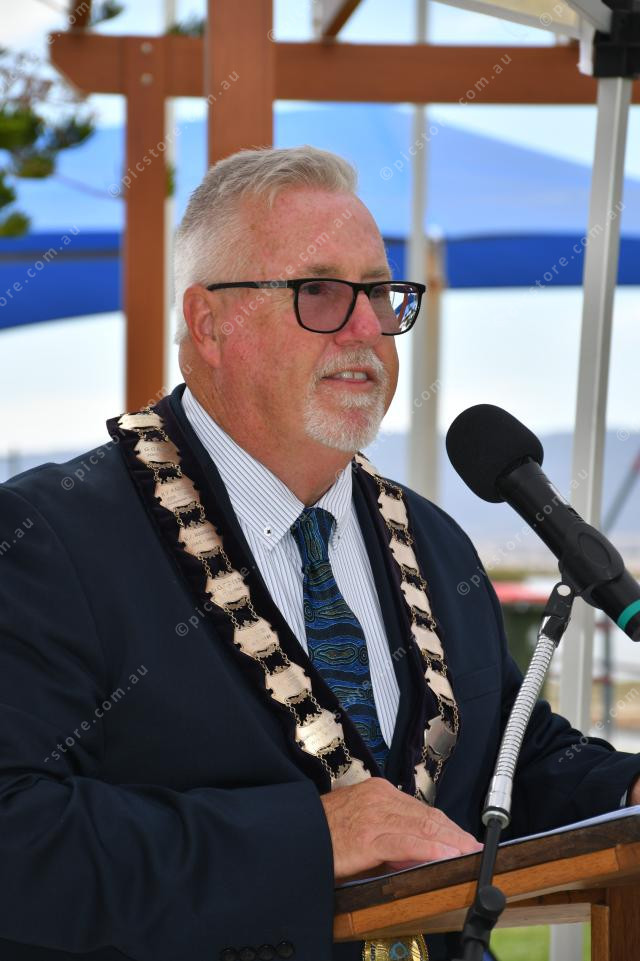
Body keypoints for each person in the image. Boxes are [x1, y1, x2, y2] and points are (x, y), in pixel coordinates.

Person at [0, 145, 638, 961]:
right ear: (209, 323)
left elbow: (509, 756)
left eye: (380, 293)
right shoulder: (50, 539)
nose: (368, 328)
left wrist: (624, 789)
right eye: (322, 293)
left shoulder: (434, 541)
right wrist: (309, 837)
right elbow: (18, 829)